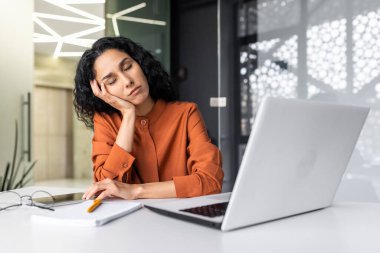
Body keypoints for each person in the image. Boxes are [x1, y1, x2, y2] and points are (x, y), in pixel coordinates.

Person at [73, 36, 224, 201]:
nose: (127, 81)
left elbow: (210, 181)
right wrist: (128, 114)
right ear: (102, 91)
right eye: (112, 80)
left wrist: (136, 191)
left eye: (128, 66)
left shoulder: (186, 114)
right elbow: (108, 186)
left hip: (181, 221)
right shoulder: (105, 121)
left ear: (141, 64)